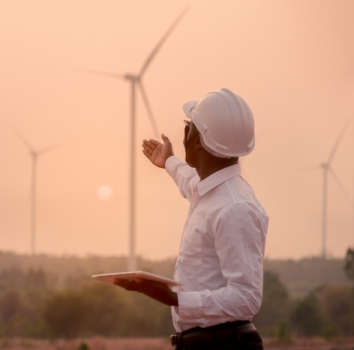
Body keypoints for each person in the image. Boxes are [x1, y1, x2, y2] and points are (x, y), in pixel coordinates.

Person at [114, 88, 268, 349]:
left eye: (189, 125)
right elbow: (191, 183)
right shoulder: (212, 190)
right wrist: (169, 161)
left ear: (197, 140)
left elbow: (247, 297)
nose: (184, 131)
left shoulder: (234, 207)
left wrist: (175, 299)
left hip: (224, 344)